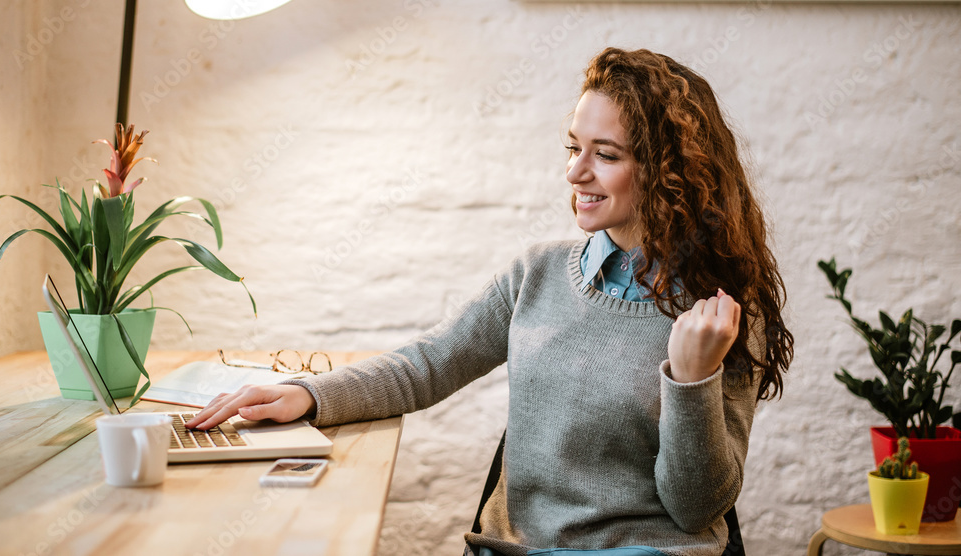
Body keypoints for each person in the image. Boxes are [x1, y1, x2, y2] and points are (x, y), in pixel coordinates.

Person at [188, 47, 794, 556]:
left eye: (606, 155)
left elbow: (696, 508)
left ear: (670, 172)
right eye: (572, 147)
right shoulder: (538, 274)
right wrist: (310, 395)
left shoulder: (724, 312)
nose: (575, 172)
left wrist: (692, 378)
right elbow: (429, 365)